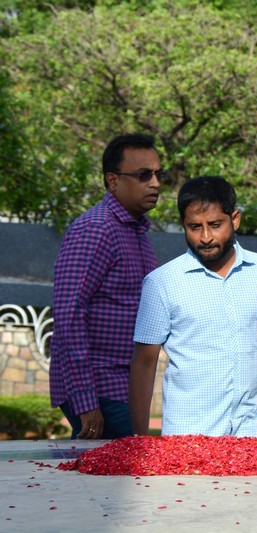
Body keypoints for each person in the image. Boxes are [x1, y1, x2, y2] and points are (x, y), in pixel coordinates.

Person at [129, 176, 257, 438]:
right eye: (194, 227)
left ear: (235, 219)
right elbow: (144, 362)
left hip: (250, 434)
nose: (205, 237)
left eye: (215, 225)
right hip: (186, 437)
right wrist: (138, 439)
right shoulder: (162, 283)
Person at [50, 133, 163, 439]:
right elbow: (68, 314)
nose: (155, 183)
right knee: (119, 480)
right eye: (143, 175)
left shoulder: (136, 231)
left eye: (157, 174)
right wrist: (86, 402)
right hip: (100, 388)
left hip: (125, 385)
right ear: (113, 181)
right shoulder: (96, 229)